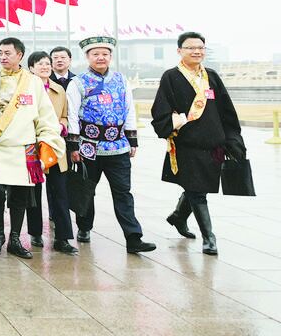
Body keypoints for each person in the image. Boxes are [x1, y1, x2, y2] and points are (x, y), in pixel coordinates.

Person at [151, 32, 245, 256]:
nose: (196, 51)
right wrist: (171, 124)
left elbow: (226, 110)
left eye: (200, 47)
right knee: (196, 190)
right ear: (179, 51)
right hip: (187, 145)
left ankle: (178, 216)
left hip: (213, 145)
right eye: (191, 47)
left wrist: (233, 138)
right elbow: (160, 109)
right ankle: (209, 238)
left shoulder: (211, 76)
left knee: (199, 187)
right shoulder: (171, 77)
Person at [0, 38, 64, 260]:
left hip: (23, 146)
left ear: (20, 55)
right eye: (0, 53)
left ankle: (15, 237)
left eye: (7, 53)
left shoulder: (33, 82)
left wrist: (48, 140)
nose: (3, 57)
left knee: (21, 195)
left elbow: (45, 115)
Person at [67, 35, 156, 254]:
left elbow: (129, 109)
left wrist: (132, 139)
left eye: (105, 54)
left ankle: (133, 237)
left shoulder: (121, 80)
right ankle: (84, 226)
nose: (101, 57)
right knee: (87, 190)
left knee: (123, 192)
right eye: (96, 54)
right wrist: (73, 146)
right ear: (87, 57)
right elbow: (72, 115)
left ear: (110, 56)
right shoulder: (78, 83)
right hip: (89, 147)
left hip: (118, 146)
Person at [24, 51, 78, 255]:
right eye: (40, 64)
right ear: (31, 68)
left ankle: (63, 238)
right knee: (33, 193)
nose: (45, 66)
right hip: (32, 147)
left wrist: (62, 125)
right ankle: (35, 232)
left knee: (60, 193)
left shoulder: (58, 89)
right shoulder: (25, 89)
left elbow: (65, 115)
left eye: (47, 63)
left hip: (54, 147)